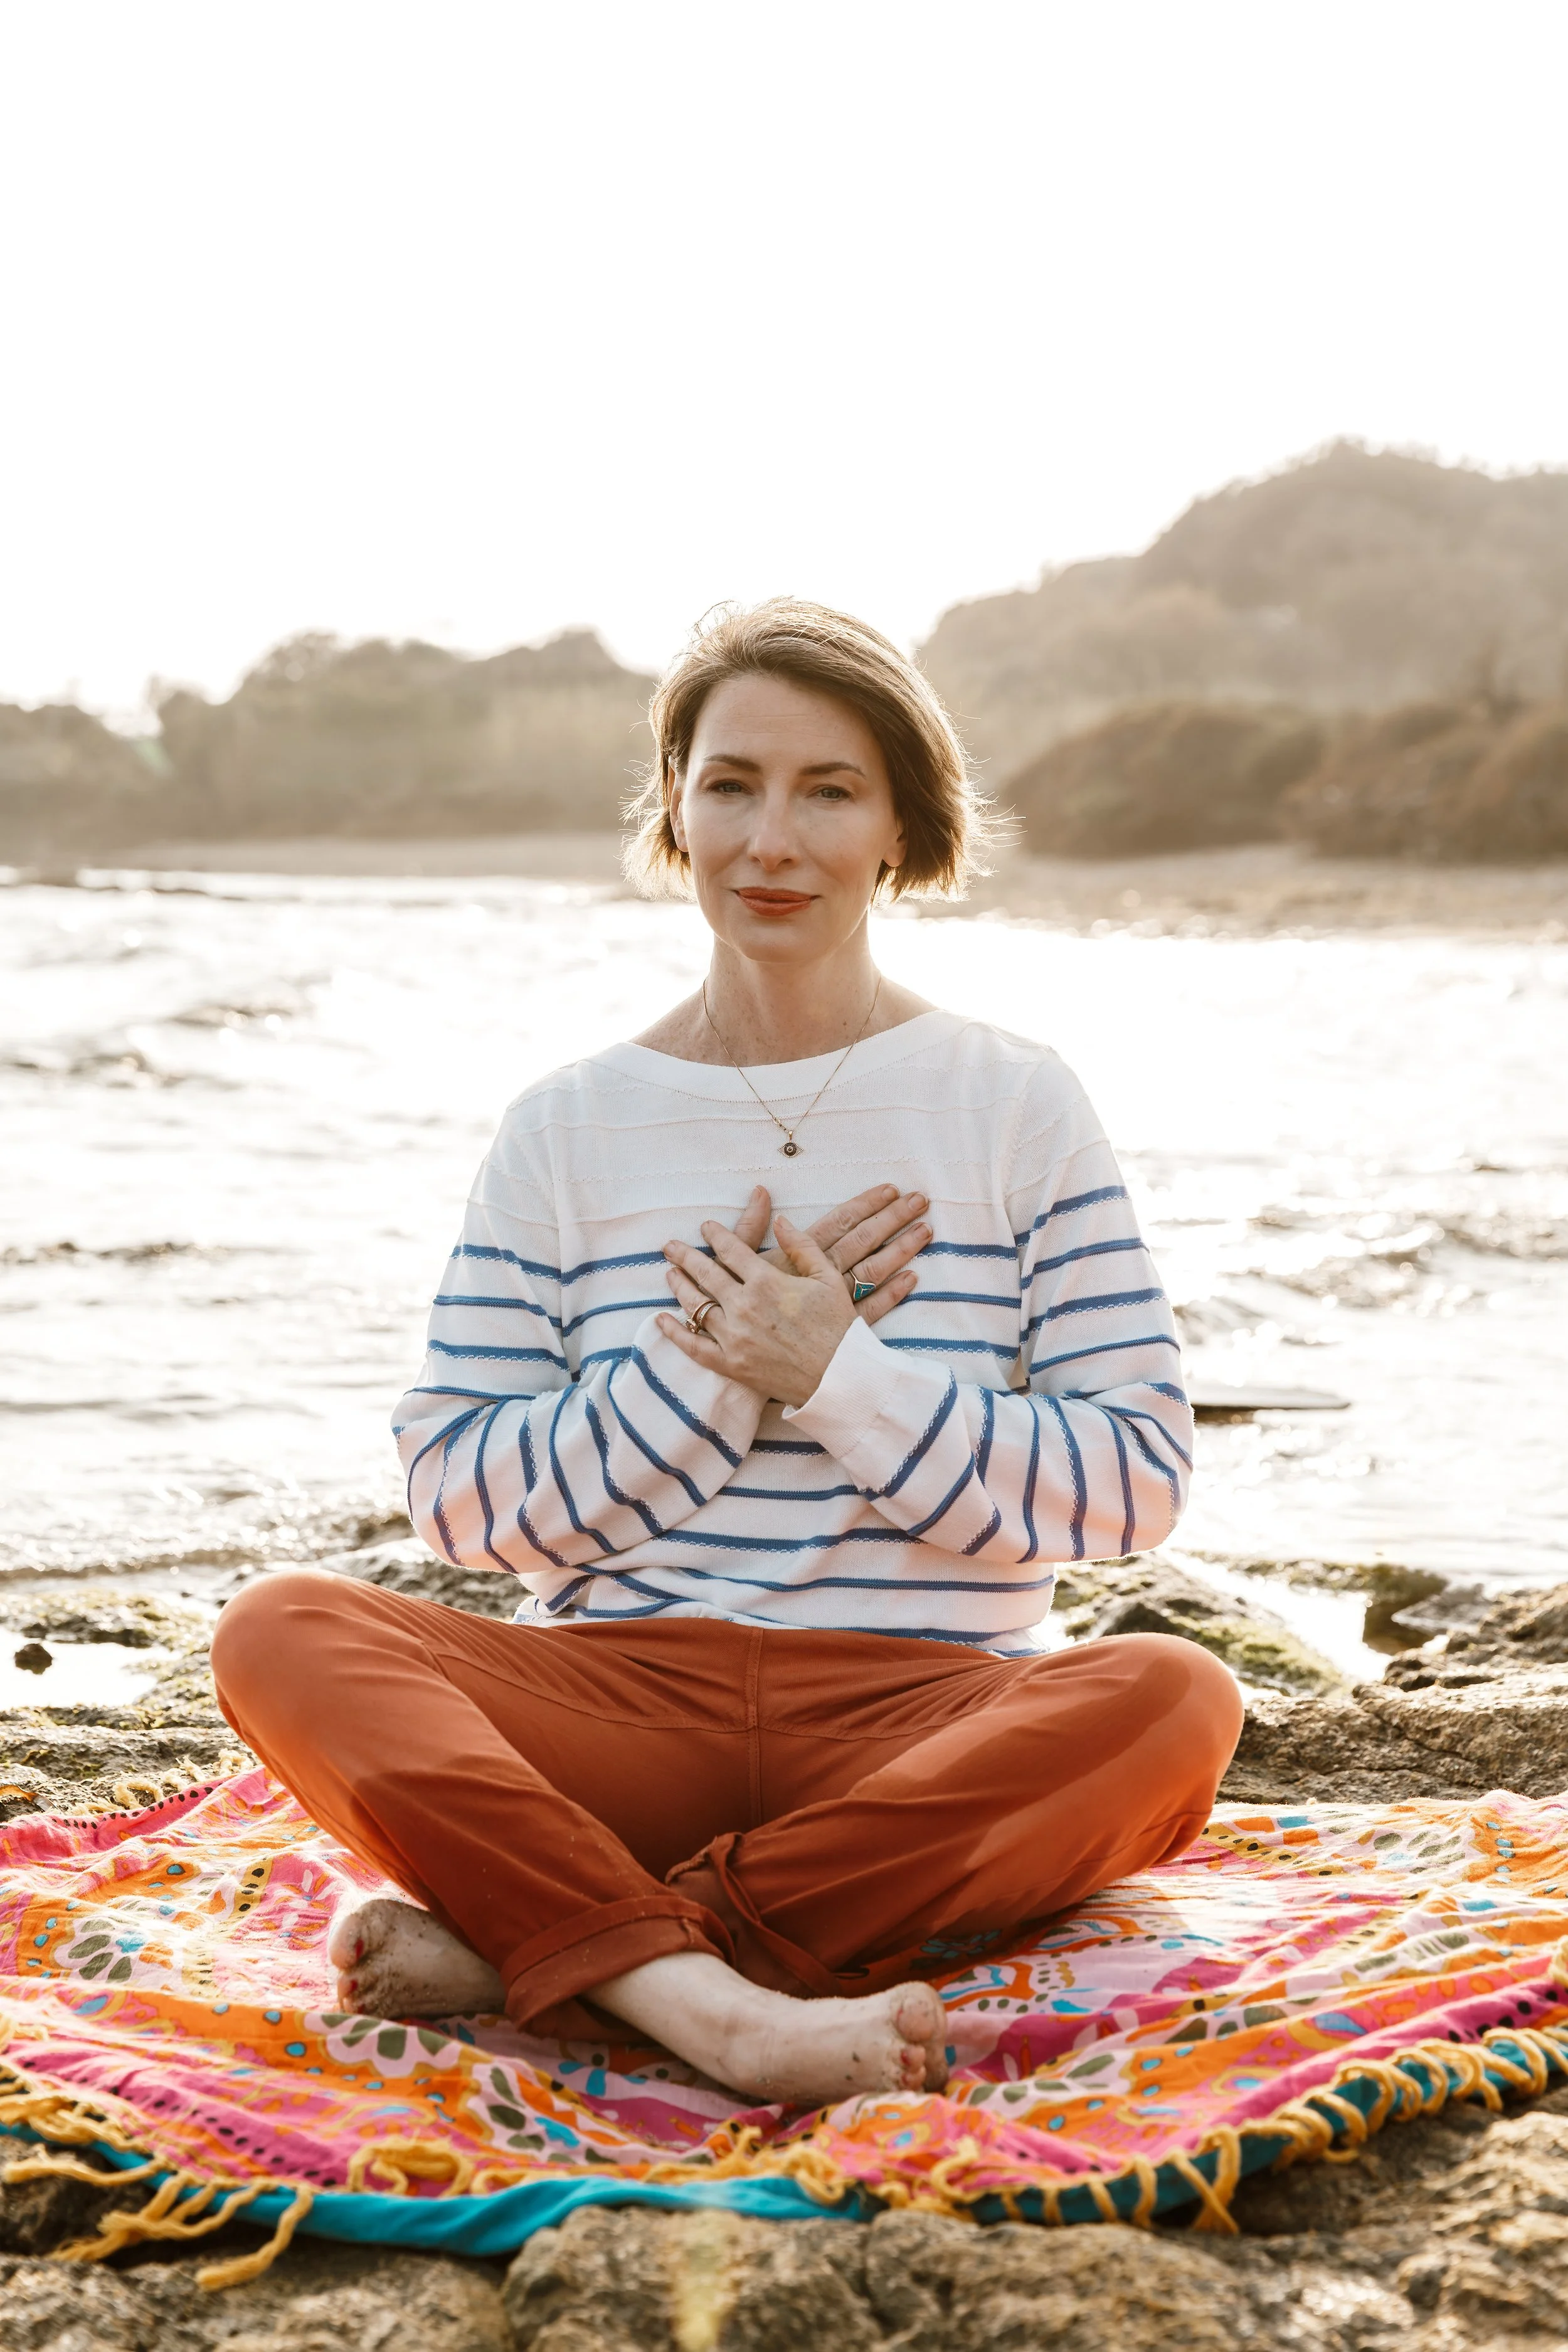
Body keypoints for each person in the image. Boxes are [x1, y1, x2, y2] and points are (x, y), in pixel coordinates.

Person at [212, 600, 1242, 2109]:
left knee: (1169, 1700)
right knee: (280, 1630)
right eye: (730, 784)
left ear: (901, 824)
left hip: (923, 1710)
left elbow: (1131, 1485)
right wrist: (708, 1374)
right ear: (674, 812)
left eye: (829, 790)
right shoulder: (564, 1127)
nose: (773, 838)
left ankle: (599, 1952)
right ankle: (719, 1989)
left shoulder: (1013, 1105)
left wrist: (840, 1373)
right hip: (615, 1700)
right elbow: (460, 1502)